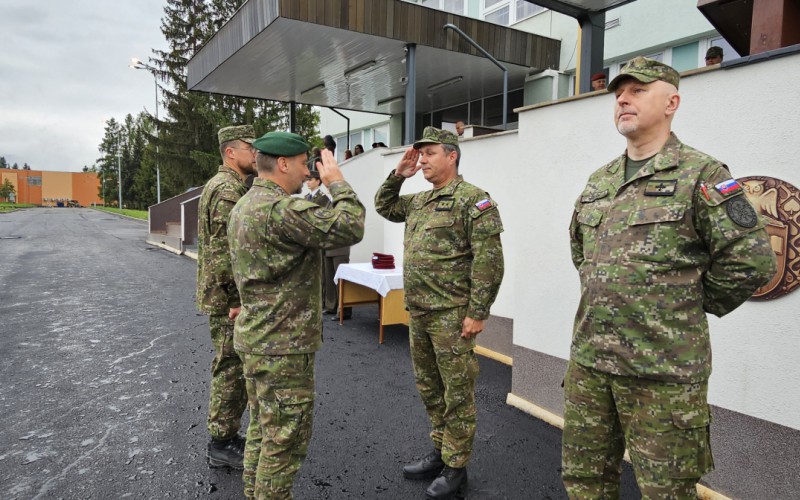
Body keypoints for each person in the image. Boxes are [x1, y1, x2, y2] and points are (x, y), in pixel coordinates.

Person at [564, 57, 777, 499]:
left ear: (671, 102)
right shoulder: (600, 180)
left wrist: (686, 305)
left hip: (662, 374)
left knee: (666, 492)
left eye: (638, 90)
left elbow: (752, 260)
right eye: (619, 93)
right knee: (584, 482)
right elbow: (581, 250)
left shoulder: (703, 174)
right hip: (591, 363)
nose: (623, 99)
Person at [228, 131, 365, 499]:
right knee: (284, 441)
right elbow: (351, 225)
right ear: (283, 163)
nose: (308, 172)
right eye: (304, 164)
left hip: (256, 339)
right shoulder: (283, 210)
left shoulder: (244, 205)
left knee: (262, 430)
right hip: (282, 348)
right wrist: (337, 182)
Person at [375, 126, 505, 499]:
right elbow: (385, 206)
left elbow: (489, 261)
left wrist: (478, 311)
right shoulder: (419, 201)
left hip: (452, 316)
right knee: (430, 387)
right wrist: (398, 174)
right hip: (419, 313)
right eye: (420, 154)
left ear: (452, 155)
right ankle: (441, 450)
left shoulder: (473, 200)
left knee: (457, 392)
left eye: (430, 153)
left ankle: (456, 467)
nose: (423, 160)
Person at [196, 125, 256, 469]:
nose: (256, 154)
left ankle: (227, 435)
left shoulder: (223, 185)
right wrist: (236, 299)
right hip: (226, 299)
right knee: (230, 368)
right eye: (250, 148)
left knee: (230, 365)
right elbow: (224, 251)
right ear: (231, 152)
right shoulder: (228, 189)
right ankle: (221, 442)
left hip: (221, 295)